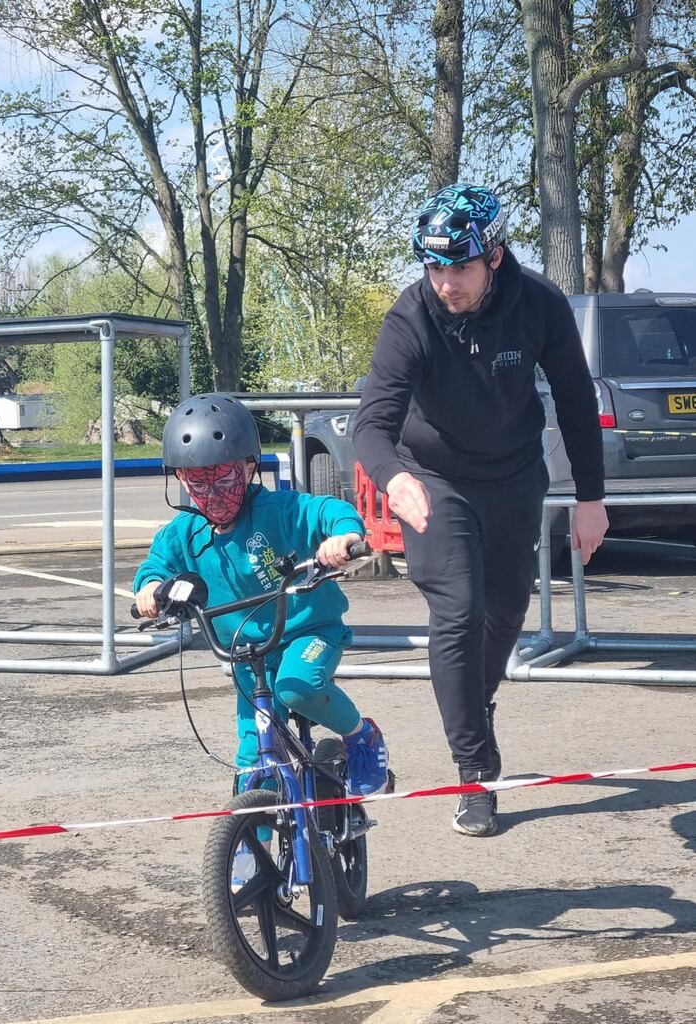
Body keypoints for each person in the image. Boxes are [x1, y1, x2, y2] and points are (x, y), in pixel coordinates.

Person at [352, 182, 608, 837]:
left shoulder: (538, 305)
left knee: (504, 612)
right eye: (433, 267)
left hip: (515, 475)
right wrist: (393, 479)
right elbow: (372, 426)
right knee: (458, 612)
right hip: (434, 480)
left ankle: (474, 705)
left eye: (458, 267)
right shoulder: (412, 316)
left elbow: (576, 401)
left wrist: (589, 499)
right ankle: (474, 773)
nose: (445, 283)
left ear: (492, 256)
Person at [134, 392, 389, 804]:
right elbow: (155, 568)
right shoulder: (182, 534)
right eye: (196, 479)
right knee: (254, 758)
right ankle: (251, 852)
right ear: (179, 479)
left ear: (249, 466)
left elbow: (327, 511)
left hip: (307, 630)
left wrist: (344, 536)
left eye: (222, 475)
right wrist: (150, 590)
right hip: (244, 651)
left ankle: (361, 736)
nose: (211, 490)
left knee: (296, 687)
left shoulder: (280, 509)